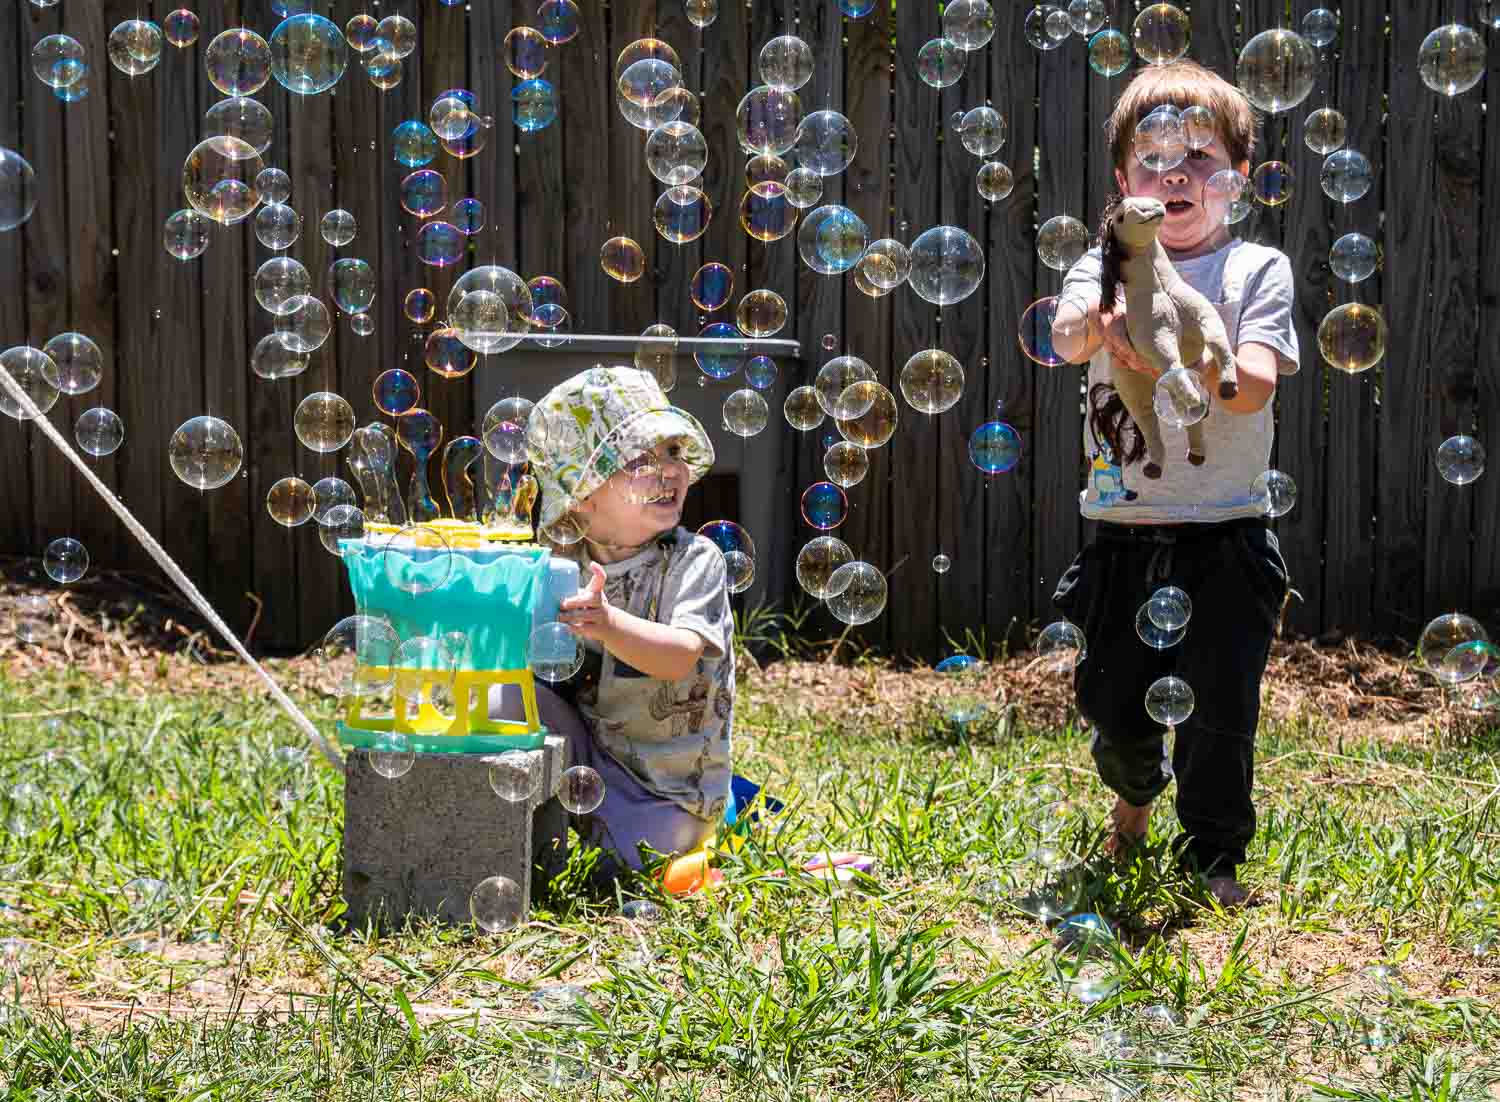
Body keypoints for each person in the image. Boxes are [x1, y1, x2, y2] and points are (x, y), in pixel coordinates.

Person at [1048, 60, 1299, 908]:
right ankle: (1133, 796)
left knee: (1220, 713)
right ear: (1125, 186)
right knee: (1112, 703)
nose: (1177, 173)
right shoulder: (1105, 263)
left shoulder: (1255, 270)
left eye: (1200, 156)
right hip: (1124, 531)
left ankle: (1213, 859)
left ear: (1237, 178)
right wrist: (1106, 319)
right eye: (1154, 159)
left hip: (1228, 531)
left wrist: (1189, 350)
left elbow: (1253, 386)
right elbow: (1065, 337)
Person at [497, 365, 734, 879]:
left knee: (632, 860)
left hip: (667, 791)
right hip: (593, 756)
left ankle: (588, 833)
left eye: (674, 452)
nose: (668, 470)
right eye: (641, 460)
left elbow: (678, 656)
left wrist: (606, 623)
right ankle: (532, 816)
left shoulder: (693, 561)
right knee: (504, 690)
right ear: (583, 496)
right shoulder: (564, 564)